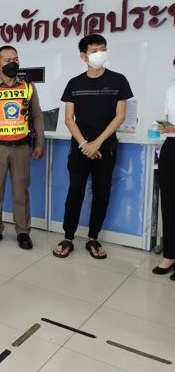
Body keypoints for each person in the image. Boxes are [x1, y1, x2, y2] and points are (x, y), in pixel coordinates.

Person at [53, 34, 133, 260]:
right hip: (80, 148)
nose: (100, 54)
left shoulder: (119, 80)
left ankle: (93, 238)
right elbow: (69, 119)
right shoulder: (74, 83)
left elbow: (120, 116)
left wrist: (97, 142)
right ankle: (68, 237)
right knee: (75, 192)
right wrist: (84, 144)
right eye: (95, 50)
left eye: (103, 49)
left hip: (105, 148)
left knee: (101, 193)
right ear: (83, 56)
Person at [0, 46, 45, 250]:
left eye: (15, 59)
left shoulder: (28, 87)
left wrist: (40, 143)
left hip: (21, 147)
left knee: (20, 191)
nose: (13, 63)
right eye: (7, 60)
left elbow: (37, 116)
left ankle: (23, 232)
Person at [153, 83, 175, 281]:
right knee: (168, 205)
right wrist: (164, 127)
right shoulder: (170, 90)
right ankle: (169, 256)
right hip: (171, 146)